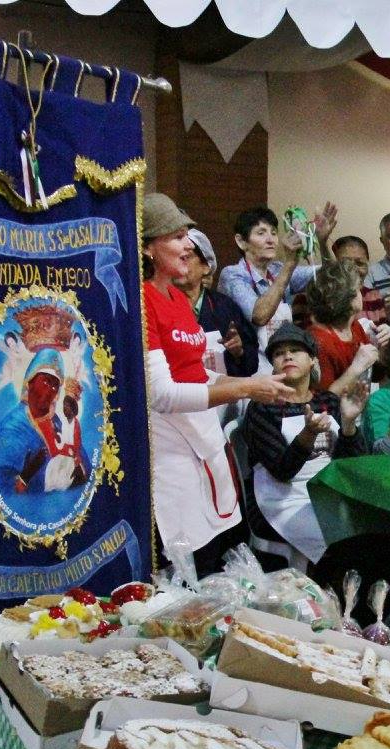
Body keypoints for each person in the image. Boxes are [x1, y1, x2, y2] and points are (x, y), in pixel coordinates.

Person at [141, 194, 292, 572]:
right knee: (187, 566)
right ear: (146, 248)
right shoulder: (142, 302)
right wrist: (246, 389)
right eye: (176, 236)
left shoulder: (175, 298)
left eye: (187, 235)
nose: (188, 244)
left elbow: (196, 372)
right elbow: (161, 394)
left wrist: (257, 380)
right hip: (171, 453)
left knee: (220, 559)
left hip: (205, 442)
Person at [242, 324, 369, 566]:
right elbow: (282, 471)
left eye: (295, 350)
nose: (287, 356)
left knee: (377, 530)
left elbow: (351, 464)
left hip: (328, 493)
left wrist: (350, 425)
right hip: (281, 501)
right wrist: (307, 434)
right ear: (274, 366)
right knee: (344, 543)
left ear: (312, 361)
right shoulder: (262, 407)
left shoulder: (328, 401)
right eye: (279, 354)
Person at [218, 204, 335, 374]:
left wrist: (323, 242)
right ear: (241, 241)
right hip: (248, 369)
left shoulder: (277, 270)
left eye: (273, 232)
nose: (270, 239)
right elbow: (259, 316)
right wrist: (290, 263)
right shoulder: (233, 274)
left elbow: (330, 276)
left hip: (281, 361)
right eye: (261, 233)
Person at [0, 348, 88, 496]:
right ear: (29, 382)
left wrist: (78, 467)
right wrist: (25, 476)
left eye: (55, 385)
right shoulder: (11, 428)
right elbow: (1, 489)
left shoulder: (59, 422)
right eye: (46, 381)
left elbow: (86, 469)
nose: (50, 390)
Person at [179, 228, 257, 379]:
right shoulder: (160, 305)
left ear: (206, 267)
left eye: (186, 257)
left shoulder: (225, 307)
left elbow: (251, 364)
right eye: (176, 258)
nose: (180, 264)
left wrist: (239, 351)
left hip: (221, 398)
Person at [307, 260, 390, 394]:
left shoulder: (354, 326)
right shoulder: (319, 340)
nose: (361, 294)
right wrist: (356, 368)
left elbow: (376, 375)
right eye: (358, 290)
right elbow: (324, 401)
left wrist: (384, 348)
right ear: (346, 299)